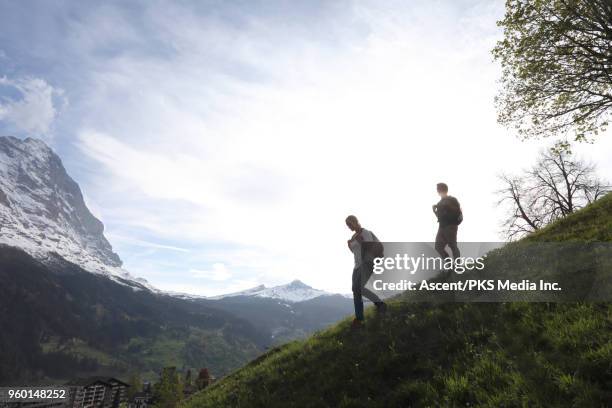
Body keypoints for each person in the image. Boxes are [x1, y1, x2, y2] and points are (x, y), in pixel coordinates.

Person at [345, 215, 387, 328]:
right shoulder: (353, 236)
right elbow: (356, 252)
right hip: (357, 266)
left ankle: (379, 305)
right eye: (347, 225)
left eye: (349, 224)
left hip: (367, 263)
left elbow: (370, 248)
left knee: (361, 288)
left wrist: (361, 241)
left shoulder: (365, 233)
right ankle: (360, 318)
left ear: (355, 222)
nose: (349, 227)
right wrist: (350, 246)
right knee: (356, 290)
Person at [432, 183, 462, 262]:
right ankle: (449, 265)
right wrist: (435, 211)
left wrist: (447, 206)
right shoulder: (439, 203)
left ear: (441, 190)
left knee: (453, 245)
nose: (437, 190)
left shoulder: (452, 199)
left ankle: (458, 267)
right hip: (442, 227)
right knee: (438, 248)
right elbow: (440, 218)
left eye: (438, 189)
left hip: (451, 226)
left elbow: (458, 211)